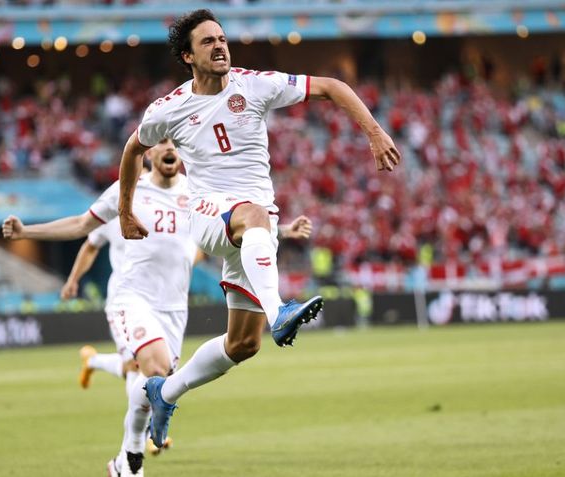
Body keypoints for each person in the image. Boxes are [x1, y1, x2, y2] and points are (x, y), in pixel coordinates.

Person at [116, 9, 401, 451]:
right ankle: (279, 310)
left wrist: (375, 132)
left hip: (253, 231)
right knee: (254, 216)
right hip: (209, 215)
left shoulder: (255, 85)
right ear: (187, 56)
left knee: (243, 344)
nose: (219, 46)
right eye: (208, 41)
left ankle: (165, 392)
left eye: (222, 38)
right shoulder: (168, 109)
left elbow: (332, 86)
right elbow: (134, 148)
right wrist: (125, 211)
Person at [2, 139, 315, 476]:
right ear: (148, 152)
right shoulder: (128, 190)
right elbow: (81, 225)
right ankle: (133, 460)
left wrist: (282, 229)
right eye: (161, 142)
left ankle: (125, 459)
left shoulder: (197, 192)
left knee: (155, 383)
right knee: (154, 367)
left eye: (174, 143)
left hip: (174, 307)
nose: (169, 148)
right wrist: (26, 232)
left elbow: (229, 226)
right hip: (133, 298)